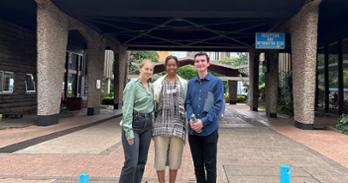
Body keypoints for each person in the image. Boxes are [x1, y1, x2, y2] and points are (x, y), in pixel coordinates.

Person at [185, 52, 224, 183]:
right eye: (197, 61)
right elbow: (188, 102)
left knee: (210, 164)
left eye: (202, 61)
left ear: (208, 63)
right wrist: (191, 117)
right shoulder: (190, 83)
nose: (200, 63)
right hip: (193, 131)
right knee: (197, 165)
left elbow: (218, 105)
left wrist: (203, 121)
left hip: (210, 130)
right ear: (194, 64)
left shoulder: (216, 82)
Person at [153, 55, 188, 183]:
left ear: (177, 66)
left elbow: (187, 103)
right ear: (165, 67)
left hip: (178, 125)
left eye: (174, 65)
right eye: (169, 65)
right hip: (160, 125)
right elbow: (153, 105)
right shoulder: (157, 83)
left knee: (175, 159)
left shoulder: (184, 83)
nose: (171, 67)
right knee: (159, 159)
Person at [119, 59, 154, 183]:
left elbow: (152, 107)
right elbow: (127, 109)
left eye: (151, 69)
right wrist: (128, 131)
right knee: (132, 163)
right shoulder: (132, 85)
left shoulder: (151, 86)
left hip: (147, 126)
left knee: (141, 162)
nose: (149, 72)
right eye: (146, 69)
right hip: (133, 125)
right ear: (140, 69)